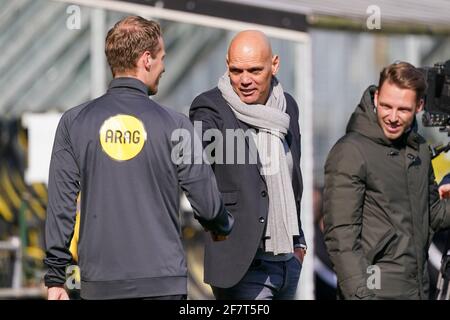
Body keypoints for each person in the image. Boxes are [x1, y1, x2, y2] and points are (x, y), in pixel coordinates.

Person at [44, 16, 233, 300]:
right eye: (161, 58)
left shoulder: (73, 123)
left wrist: (57, 278)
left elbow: (61, 204)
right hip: (163, 284)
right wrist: (221, 225)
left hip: (100, 286)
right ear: (146, 60)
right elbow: (206, 204)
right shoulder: (176, 126)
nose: (164, 67)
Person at [189, 30, 306, 300]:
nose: (244, 80)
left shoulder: (288, 108)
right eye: (236, 70)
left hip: (288, 261)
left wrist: (299, 243)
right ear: (227, 65)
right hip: (242, 266)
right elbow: (192, 166)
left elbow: (291, 179)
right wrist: (213, 219)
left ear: (274, 65)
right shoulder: (210, 108)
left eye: (254, 70)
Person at [323, 61, 450, 300]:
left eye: (403, 109)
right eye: (386, 106)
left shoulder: (419, 150)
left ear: (419, 106)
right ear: (376, 97)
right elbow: (341, 237)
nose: (392, 117)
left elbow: (431, 215)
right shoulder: (350, 152)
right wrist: (361, 295)